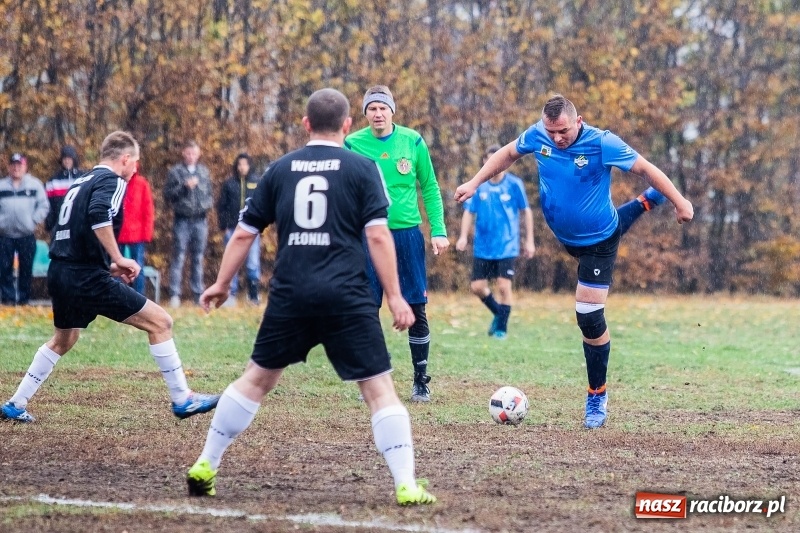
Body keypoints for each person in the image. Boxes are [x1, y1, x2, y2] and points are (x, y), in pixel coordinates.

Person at [185, 88, 436, 506]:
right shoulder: (361, 168)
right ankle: (406, 484)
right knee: (379, 390)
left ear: (305, 124)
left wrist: (221, 283)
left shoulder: (279, 170)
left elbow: (245, 231)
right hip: (347, 294)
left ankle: (206, 464)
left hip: (291, 292)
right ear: (347, 126)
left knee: (255, 380)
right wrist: (395, 295)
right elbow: (377, 234)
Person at [455, 94, 694, 429]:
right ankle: (645, 202)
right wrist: (474, 181)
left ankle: (597, 394)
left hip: (598, 244)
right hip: (570, 237)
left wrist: (681, 202)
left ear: (577, 121)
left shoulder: (602, 142)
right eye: (551, 131)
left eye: (563, 131)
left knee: (589, 315)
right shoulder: (538, 134)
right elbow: (507, 154)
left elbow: (645, 168)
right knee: (608, 222)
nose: (556, 138)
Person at [0, 132, 219, 423]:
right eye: (136, 162)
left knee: (63, 339)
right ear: (125, 159)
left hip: (62, 270)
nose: (136, 169)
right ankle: (183, 399)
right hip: (84, 276)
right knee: (161, 322)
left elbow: (75, 230)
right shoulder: (113, 180)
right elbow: (99, 215)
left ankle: (15, 403)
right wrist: (117, 257)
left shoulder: (81, 181)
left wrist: (107, 266)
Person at [344, 85, 449, 403]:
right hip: (367, 236)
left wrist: (438, 230)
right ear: (365, 113)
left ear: (392, 110)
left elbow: (429, 186)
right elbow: (342, 191)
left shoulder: (412, 141)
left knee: (416, 305)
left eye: (382, 108)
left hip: (406, 235)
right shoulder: (352, 144)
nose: (377, 114)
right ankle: (372, 378)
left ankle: (420, 380)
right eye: (371, 109)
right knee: (366, 308)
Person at [456, 144, 535, 339]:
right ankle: (500, 315)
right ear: (485, 162)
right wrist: (463, 236)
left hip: (507, 245)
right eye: (489, 160)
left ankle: (501, 329)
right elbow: (468, 212)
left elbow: (526, 211)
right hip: (483, 246)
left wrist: (529, 240)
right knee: (477, 287)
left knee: (503, 286)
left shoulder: (514, 184)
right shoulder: (478, 185)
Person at [164, 140, 213, 307]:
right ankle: (175, 295)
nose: (191, 156)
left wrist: (205, 206)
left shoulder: (204, 172)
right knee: (178, 256)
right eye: (188, 153)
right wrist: (184, 187)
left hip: (200, 220)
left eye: (194, 153)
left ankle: (197, 294)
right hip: (182, 220)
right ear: (183, 153)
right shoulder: (175, 172)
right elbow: (168, 195)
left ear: (198, 154)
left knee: (198, 258)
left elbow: (210, 195)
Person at [0, 153, 49, 306]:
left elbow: (44, 206)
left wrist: (33, 220)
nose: (16, 168)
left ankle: (23, 300)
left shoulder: (35, 185)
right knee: (4, 268)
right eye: (13, 165)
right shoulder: (1, 186)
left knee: (26, 269)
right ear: (9, 167)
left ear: (25, 167)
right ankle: (7, 300)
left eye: (19, 165)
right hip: (5, 235)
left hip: (27, 234)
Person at [216, 153, 261, 306]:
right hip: (232, 229)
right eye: (240, 164)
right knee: (232, 263)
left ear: (249, 166)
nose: (243, 167)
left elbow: (261, 205)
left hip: (252, 229)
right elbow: (222, 207)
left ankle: (253, 296)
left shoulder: (256, 182)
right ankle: (231, 295)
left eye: (245, 164)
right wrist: (225, 227)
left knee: (253, 263)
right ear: (236, 166)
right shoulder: (229, 184)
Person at [118, 161, 155, 296]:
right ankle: (118, 296)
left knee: (138, 267)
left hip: (137, 234)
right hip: (119, 233)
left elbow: (148, 210)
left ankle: (139, 297)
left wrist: (147, 233)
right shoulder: (116, 183)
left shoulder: (142, 184)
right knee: (118, 269)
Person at [45, 145, 83, 236]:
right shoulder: (54, 180)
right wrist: (50, 224)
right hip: (59, 224)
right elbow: (48, 204)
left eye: (69, 158)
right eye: (65, 158)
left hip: (79, 223)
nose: (67, 161)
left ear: (74, 160)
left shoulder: (83, 177)